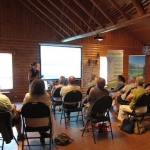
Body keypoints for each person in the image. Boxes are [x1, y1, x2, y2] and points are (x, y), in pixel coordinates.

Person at [23, 79, 52, 145]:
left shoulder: (28, 96)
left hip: (30, 124)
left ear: (32, 86)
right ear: (43, 87)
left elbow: (24, 107)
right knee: (44, 115)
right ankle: (43, 133)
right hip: (44, 124)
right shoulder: (46, 96)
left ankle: (42, 134)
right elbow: (48, 106)